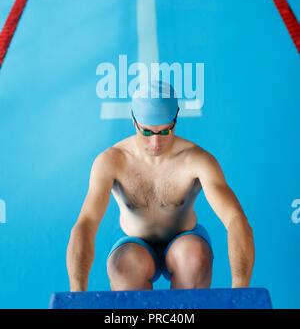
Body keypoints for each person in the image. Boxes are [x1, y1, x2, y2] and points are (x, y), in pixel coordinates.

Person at [67, 80, 255, 291]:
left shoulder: (197, 160)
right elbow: (87, 223)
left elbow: (235, 219)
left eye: (165, 131)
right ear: (134, 121)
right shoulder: (112, 161)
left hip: (184, 240)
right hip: (133, 242)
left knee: (194, 256)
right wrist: (77, 293)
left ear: (175, 120)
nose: (156, 143)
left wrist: (241, 289)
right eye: (147, 132)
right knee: (125, 266)